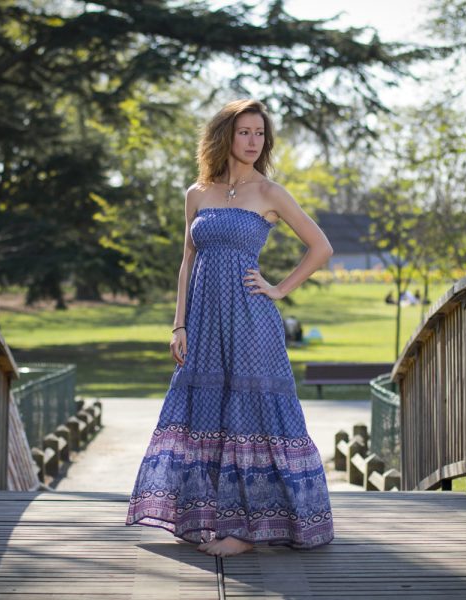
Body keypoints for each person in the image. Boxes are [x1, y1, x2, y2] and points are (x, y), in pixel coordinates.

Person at [125, 98, 335, 557]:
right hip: (202, 322)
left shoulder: (271, 193)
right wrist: (178, 324)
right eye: (245, 132)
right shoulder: (197, 193)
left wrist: (278, 289)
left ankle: (245, 532)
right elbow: (188, 261)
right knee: (209, 415)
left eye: (260, 133)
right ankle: (208, 520)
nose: (254, 141)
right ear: (225, 135)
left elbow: (321, 247)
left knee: (251, 418)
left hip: (250, 322)